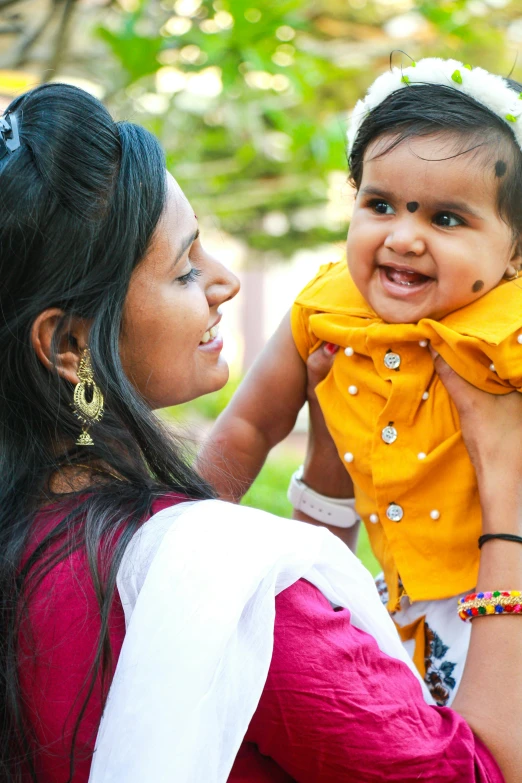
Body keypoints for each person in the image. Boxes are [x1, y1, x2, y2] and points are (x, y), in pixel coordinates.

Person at [0, 82, 521, 783]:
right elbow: (473, 773)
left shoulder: (30, 534)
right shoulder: (192, 573)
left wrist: (326, 475)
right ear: (69, 347)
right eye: (185, 268)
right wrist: (509, 500)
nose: (225, 283)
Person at [198, 57, 522, 704]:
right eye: (380, 205)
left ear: (515, 252)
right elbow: (248, 423)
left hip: (502, 596)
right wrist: (184, 529)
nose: (403, 237)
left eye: (446, 219)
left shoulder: (509, 329)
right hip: (397, 600)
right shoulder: (328, 308)